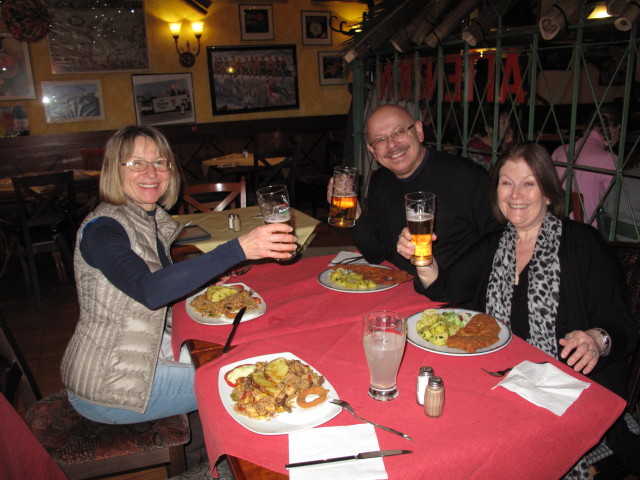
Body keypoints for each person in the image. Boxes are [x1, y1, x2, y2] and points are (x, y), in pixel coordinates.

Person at [60, 125, 297, 424]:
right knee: (259, 384)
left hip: (142, 354)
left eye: (160, 162)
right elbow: (149, 290)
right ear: (113, 170)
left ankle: (207, 439)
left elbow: (158, 284)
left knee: (250, 349)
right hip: (109, 385)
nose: (151, 172)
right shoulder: (103, 229)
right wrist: (237, 249)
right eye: (136, 163)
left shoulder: (147, 218)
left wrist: (206, 281)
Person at [397, 143, 636, 394]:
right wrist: (421, 258)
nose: (515, 195)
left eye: (528, 184)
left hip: (572, 386)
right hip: (504, 377)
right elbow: (447, 287)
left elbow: (621, 325)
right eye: (506, 183)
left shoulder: (583, 243)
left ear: (548, 193)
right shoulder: (496, 244)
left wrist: (596, 341)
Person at [329, 104, 499, 274]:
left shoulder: (467, 176)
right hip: (402, 285)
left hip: (458, 294)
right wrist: (355, 213)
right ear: (372, 150)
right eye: (380, 139)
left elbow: (498, 243)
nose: (392, 145)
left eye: (399, 132)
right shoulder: (381, 182)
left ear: (418, 131)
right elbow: (376, 253)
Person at [552, 105, 622, 225]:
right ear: (616, 129)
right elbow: (614, 207)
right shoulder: (609, 159)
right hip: (589, 232)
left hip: (556, 226)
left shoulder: (559, 151)